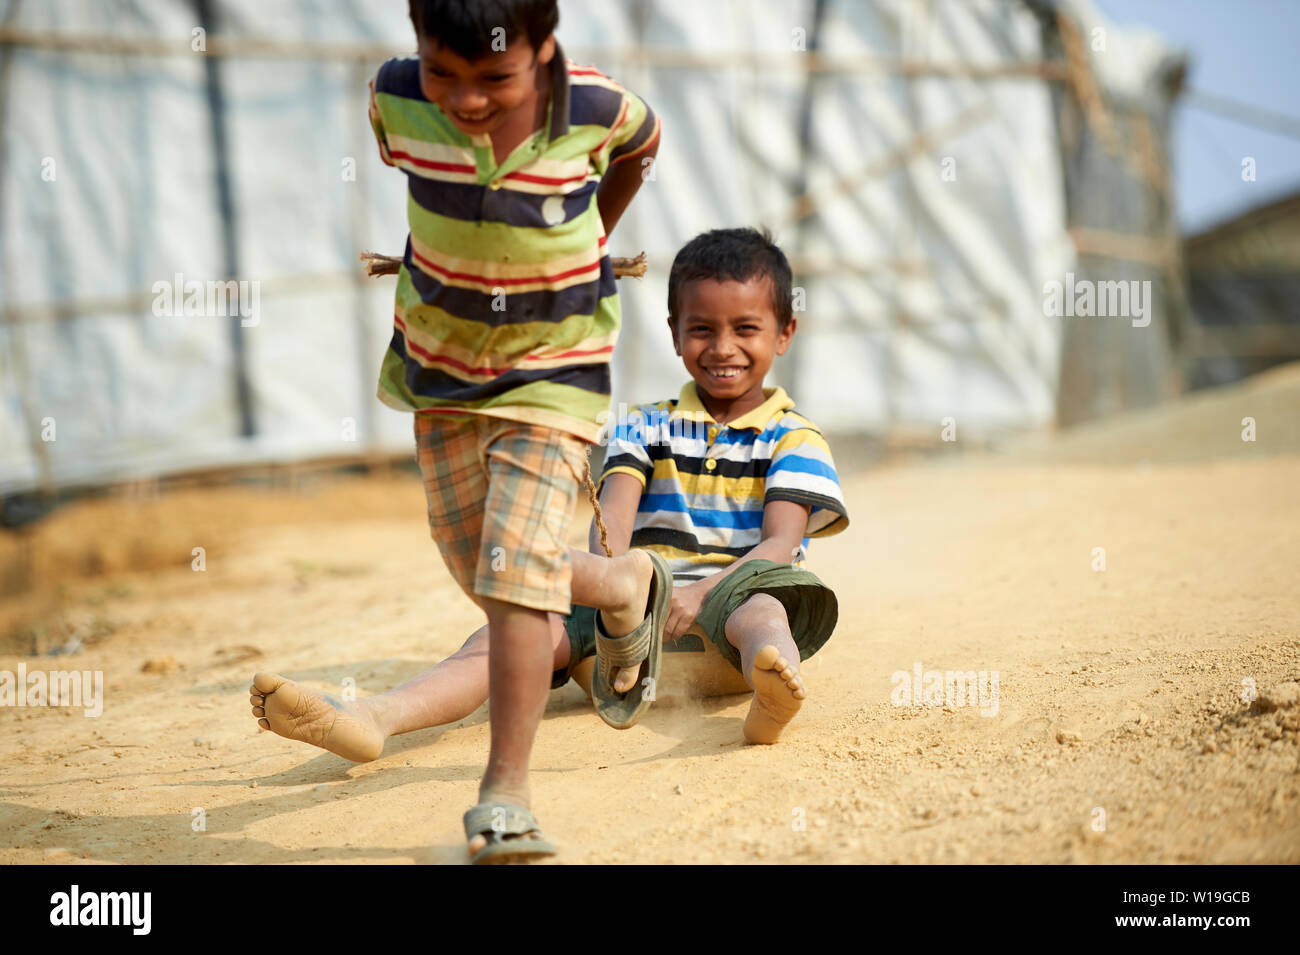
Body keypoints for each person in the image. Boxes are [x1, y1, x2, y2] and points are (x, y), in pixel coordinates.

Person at [250, 227, 850, 855]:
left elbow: (780, 543)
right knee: (510, 630)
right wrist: (619, 596)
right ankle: (374, 717)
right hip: (636, 608)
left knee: (767, 607)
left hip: (729, 600)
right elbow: (611, 520)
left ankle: (770, 689)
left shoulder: (794, 436)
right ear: (674, 332)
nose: (722, 347)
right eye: (702, 329)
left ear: (785, 333)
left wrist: (700, 595)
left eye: (746, 329)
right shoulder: (642, 424)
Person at [251, 0, 663, 865]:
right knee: (470, 549)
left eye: (496, 79)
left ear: (545, 52)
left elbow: (642, 146)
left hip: (556, 368)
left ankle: (504, 796)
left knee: (514, 573)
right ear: (417, 50)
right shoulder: (396, 100)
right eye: (446, 73)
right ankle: (623, 587)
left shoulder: (597, 108)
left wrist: (595, 234)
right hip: (440, 370)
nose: (467, 101)